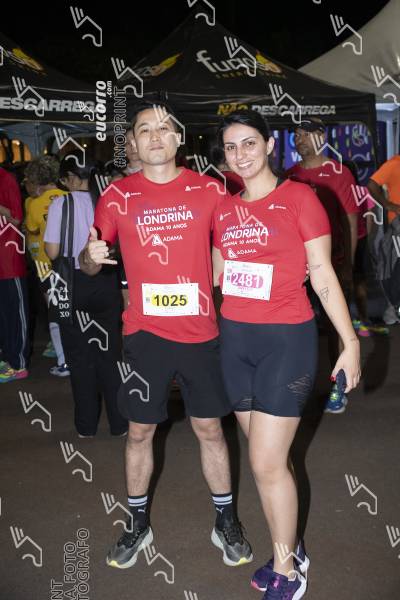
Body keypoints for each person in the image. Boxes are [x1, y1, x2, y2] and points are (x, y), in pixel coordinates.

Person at [79, 101, 252, 569]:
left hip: (201, 333)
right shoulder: (117, 195)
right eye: (144, 130)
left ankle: (226, 520)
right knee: (139, 431)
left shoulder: (209, 189)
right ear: (132, 143)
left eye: (163, 128)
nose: (154, 136)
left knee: (210, 428)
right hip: (145, 334)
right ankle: (136, 523)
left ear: (178, 138)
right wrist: (89, 257)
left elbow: (234, 244)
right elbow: (89, 260)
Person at [212, 110, 361, 600]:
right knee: (269, 461)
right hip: (236, 345)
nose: (240, 155)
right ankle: (290, 545)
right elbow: (217, 275)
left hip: (285, 343)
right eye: (231, 147)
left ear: (270, 145)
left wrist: (350, 341)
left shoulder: (300, 198)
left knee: (265, 462)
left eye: (249, 143)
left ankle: (288, 571)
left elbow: (322, 273)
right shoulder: (223, 209)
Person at [44, 155, 127, 437]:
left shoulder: (61, 204)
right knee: (110, 354)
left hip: (73, 283)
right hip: (106, 281)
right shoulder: (106, 200)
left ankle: (86, 426)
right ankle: (119, 423)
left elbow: (53, 252)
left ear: (70, 178)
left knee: (79, 357)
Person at [286, 118, 359, 413]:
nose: (300, 139)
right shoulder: (290, 175)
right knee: (297, 328)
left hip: (333, 262)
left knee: (335, 326)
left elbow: (350, 221)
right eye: (296, 135)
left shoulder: (340, 173)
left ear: (321, 137)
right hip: (297, 267)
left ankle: (338, 386)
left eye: (306, 134)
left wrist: (349, 265)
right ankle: (296, 385)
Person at [24, 156, 70, 376]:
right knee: (70, 309)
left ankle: (63, 361)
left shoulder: (34, 204)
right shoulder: (68, 196)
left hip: (45, 264)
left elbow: (32, 229)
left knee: (54, 311)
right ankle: (73, 356)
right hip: (68, 263)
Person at [0, 166, 29, 383]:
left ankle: (18, 364)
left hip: (9, 259)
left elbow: (17, 219)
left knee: (15, 314)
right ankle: (6, 359)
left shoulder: (6, 179)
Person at [367, 154, 400, 324]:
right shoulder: (395, 164)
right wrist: (388, 205)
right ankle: (394, 306)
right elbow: (372, 184)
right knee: (393, 265)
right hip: (398, 222)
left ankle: (393, 308)